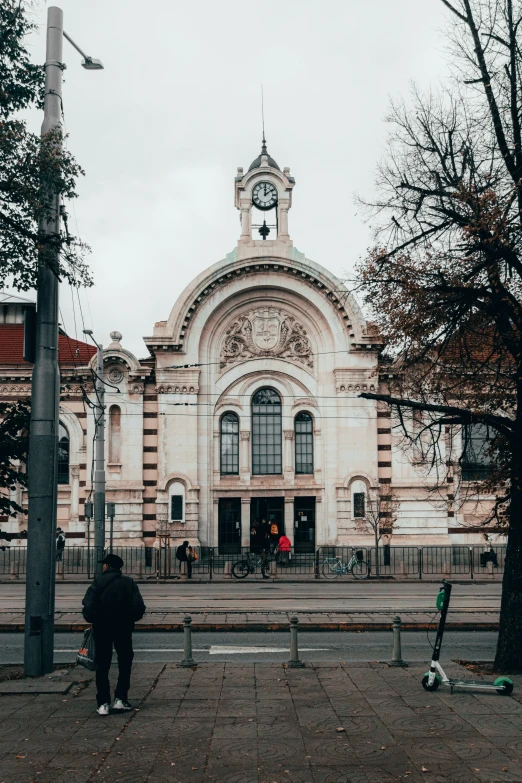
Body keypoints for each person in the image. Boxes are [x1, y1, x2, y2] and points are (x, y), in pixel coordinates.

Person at [82, 553, 146, 716]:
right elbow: (139, 607)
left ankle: (103, 703)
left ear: (107, 566)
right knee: (125, 663)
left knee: (102, 665)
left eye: (104, 564)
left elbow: (88, 606)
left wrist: (95, 619)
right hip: (123, 628)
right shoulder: (128, 582)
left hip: (102, 628)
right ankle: (120, 699)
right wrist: (127, 618)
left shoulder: (98, 582)